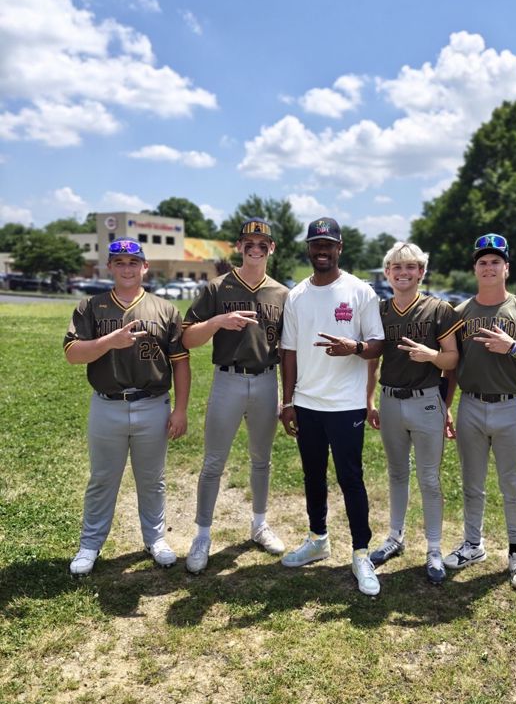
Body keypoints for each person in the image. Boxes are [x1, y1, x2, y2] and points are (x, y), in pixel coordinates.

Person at [64, 238, 190, 576]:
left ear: (145, 267)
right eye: (119, 262)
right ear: (109, 267)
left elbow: (180, 362)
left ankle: (155, 538)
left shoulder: (165, 309)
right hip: (108, 404)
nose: (127, 269)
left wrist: (180, 409)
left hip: (153, 403)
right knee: (102, 479)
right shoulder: (91, 306)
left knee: (152, 479)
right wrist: (110, 341)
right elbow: (72, 354)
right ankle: (90, 544)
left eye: (133, 262)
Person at [443, 233, 516, 591]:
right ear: (475, 269)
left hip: (510, 406)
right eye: (482, 262)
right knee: (471, 483)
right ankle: (472, 545)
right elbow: (451, 367)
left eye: (495, 261)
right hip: (471, 405)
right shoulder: (459, 313)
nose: (488, 267)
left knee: (512, 487)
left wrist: (514, 347)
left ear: (506, 267)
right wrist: (446, 407)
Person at [280, 218, 385, 596]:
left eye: (328, 244)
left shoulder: (360, 291)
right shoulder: (296, 296)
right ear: (309, 248)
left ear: (340, 248)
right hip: (307, 403)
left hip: (346, 405)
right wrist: (288, 400)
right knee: (313, 476)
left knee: (350, 478)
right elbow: (288, 352)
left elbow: (378, 344)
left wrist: (354, 347)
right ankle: (318, 539)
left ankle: (361, 553)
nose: (322, 250)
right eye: (316, 244)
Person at [181, 218, 289, 573]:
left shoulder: (282, 293)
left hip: (266, 379)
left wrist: (287, 395)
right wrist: (217, 322)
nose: (256, 249)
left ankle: (259, 524)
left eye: (262, 244)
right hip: (227, 379)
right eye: (249, 243)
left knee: (262, 459)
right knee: (214, 461)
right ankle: (202, 534)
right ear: (239, 247)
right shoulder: (218, 287)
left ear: (271, 248)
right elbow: (187, 338)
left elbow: (288, 348)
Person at [366, 242, 460, 583]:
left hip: (426, 400)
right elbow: (373, 360)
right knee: (396, 473)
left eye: (410, 267)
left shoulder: (439, 309)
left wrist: (431, 356)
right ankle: (395, 537)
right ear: (387, 272)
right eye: (397, 267)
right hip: (390, 399)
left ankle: (434, 548)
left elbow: (453, 359)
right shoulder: (380, 310)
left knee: (429, 478)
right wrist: (369, 400)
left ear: (421, 272)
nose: (403, 273)